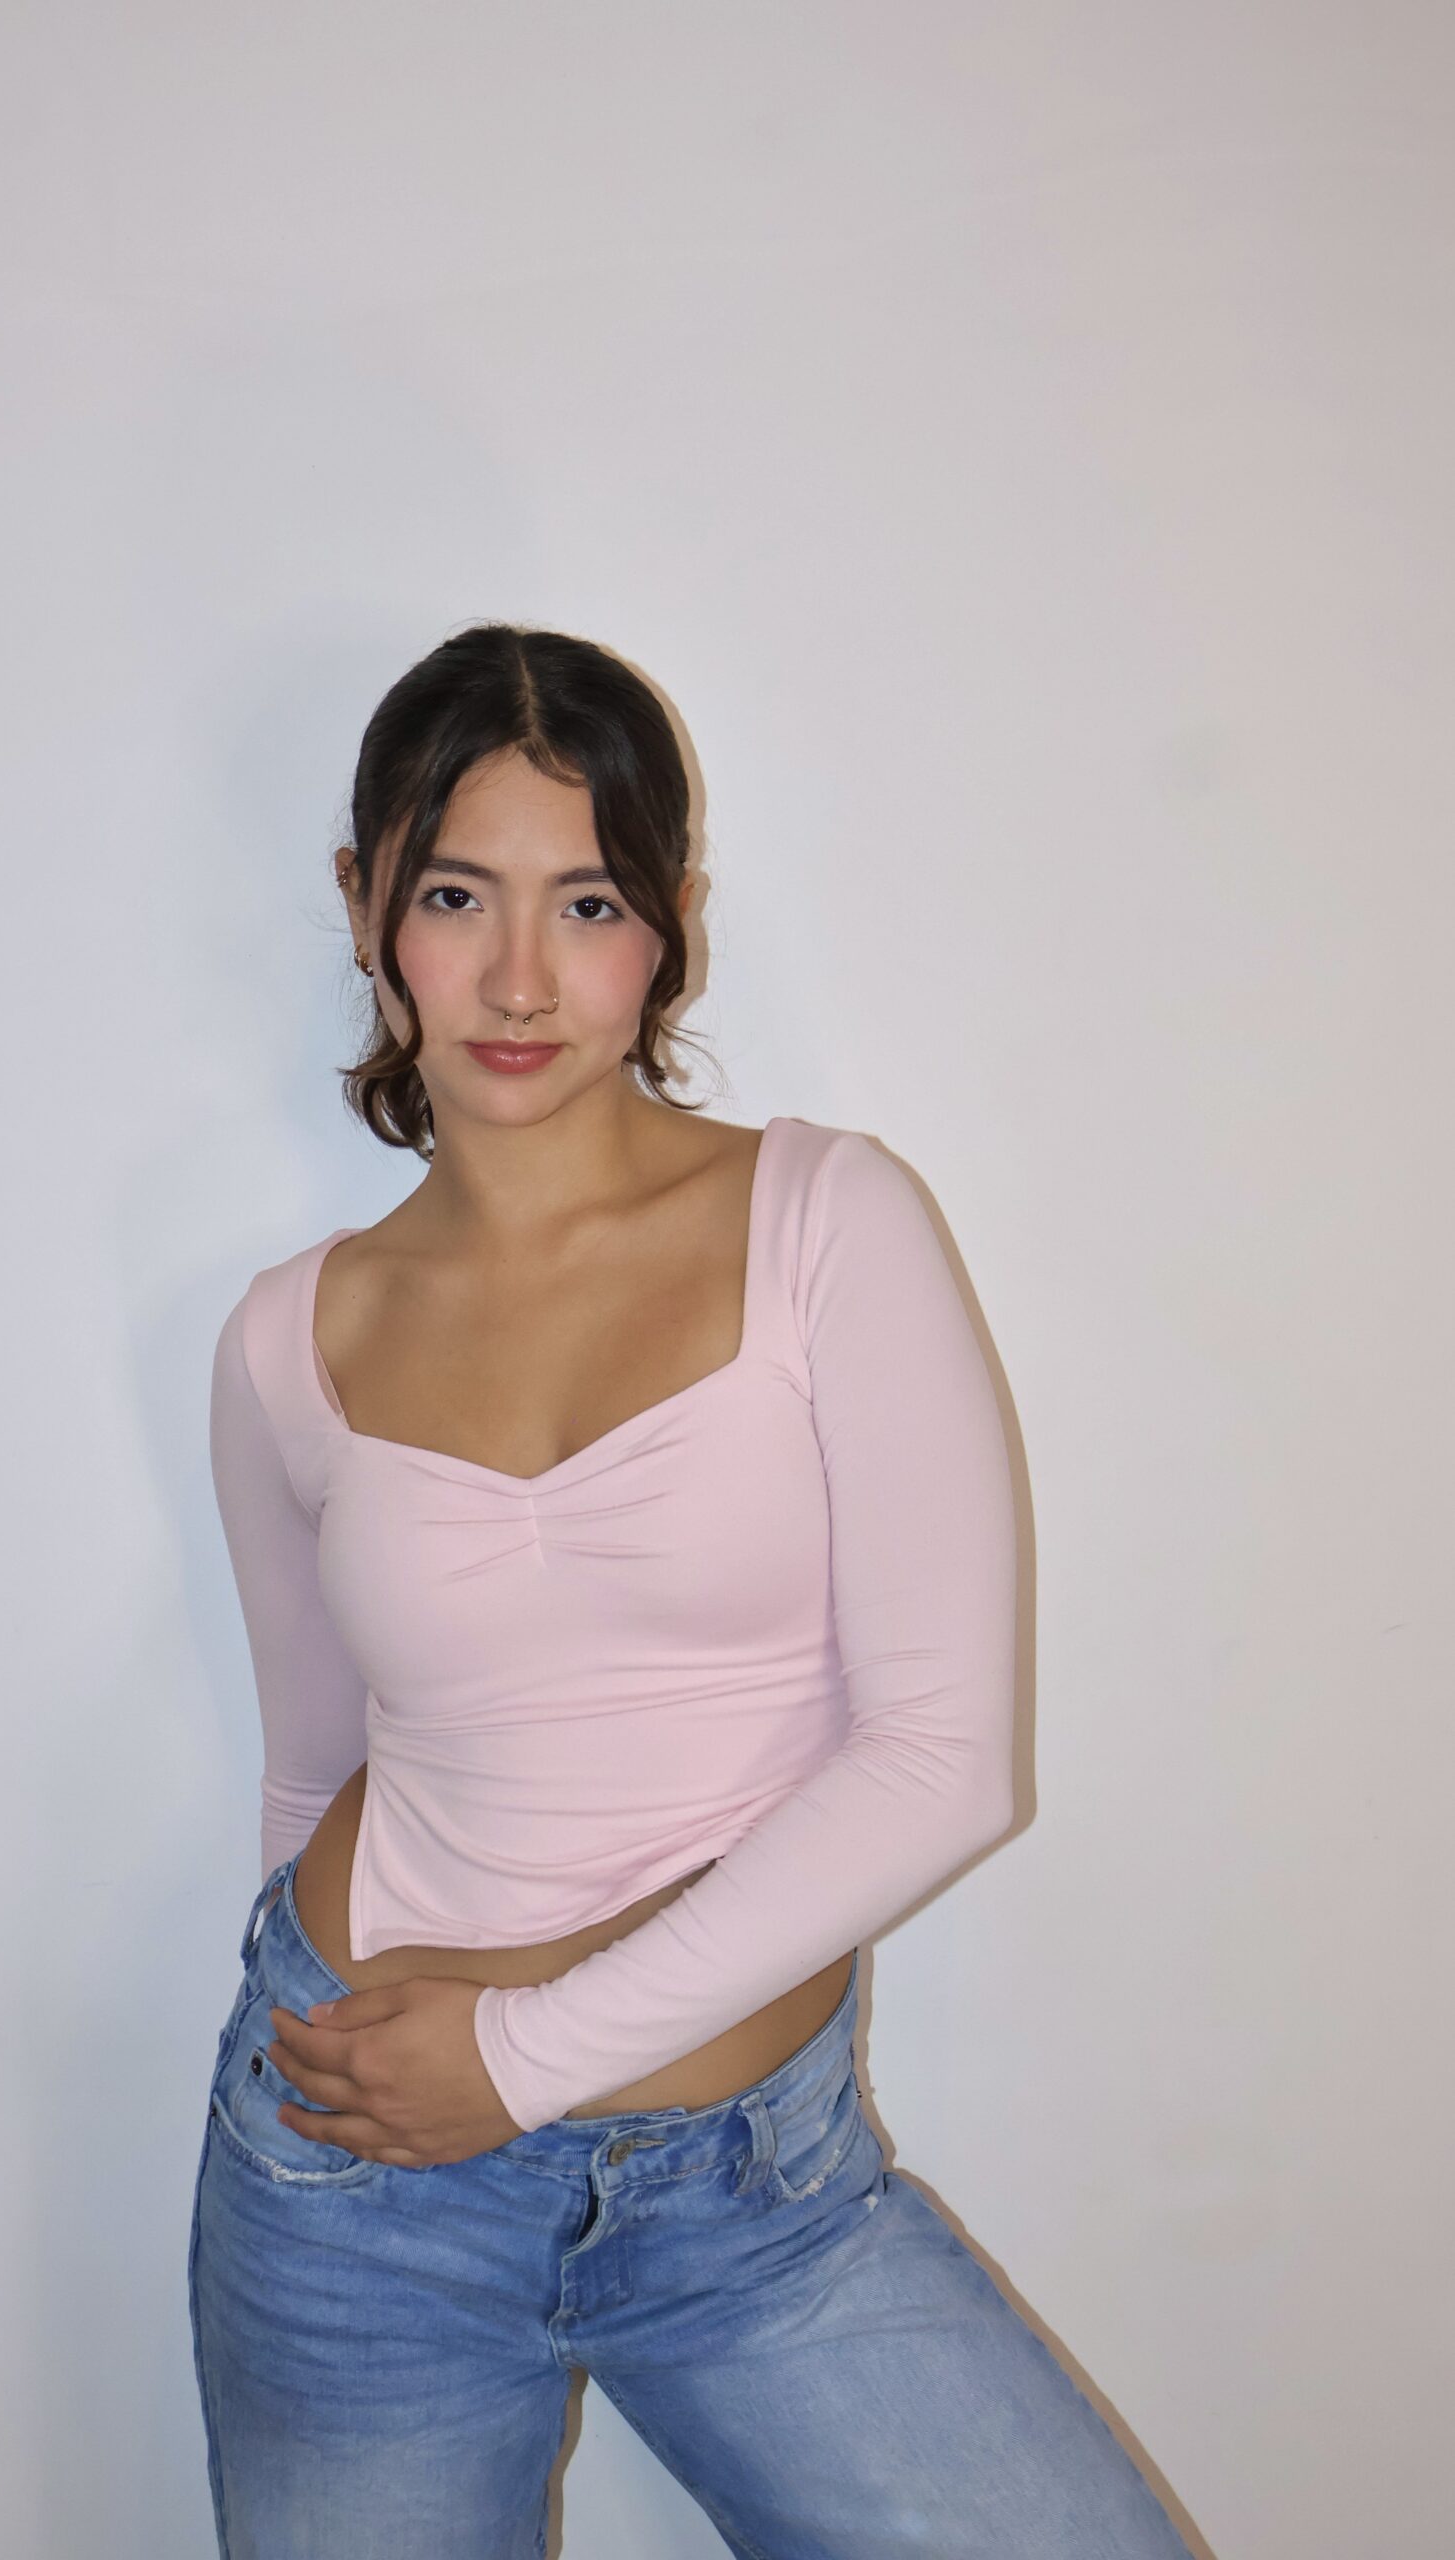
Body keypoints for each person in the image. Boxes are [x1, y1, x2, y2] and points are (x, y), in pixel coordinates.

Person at [187, 624, 1195, 2558]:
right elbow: (310, 1770)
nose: (519, 978)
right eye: (456, 896)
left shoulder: (827, 1222)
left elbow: (946, 1763)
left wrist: (515, 2058)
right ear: (366, 904)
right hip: (354, 2196)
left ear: (669, 924)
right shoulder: (285, 1340)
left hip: (750, 2205)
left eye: (588, 903)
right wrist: (370, 2071)